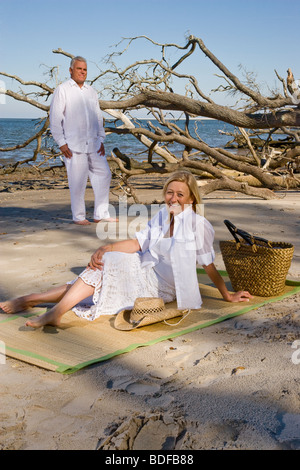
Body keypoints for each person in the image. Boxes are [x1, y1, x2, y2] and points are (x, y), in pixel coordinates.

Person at [0, 171, 253, 328]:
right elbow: (137, 243)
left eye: (180, 194)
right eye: (169, 192)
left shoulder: (200, 225)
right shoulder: (163, 216)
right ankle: (38, 302)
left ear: (191, 198)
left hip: (160, 287)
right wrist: (106, 247)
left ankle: (46, 306)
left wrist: (227, 295)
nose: (173, 198)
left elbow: (208, 265)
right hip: (143, 267)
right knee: (104, 264)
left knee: (103, 274)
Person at [50, 56, 116, 225]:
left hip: (94, 143)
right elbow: (56, 118)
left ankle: (100, 214)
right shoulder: (62, 89)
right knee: (77, 181)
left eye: (85, 69)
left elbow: (98, 116)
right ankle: (78, 217)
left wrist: (101, 139)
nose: (82, 72)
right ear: (71, 70)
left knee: (104, 174)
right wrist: (61, 142)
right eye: (79, 69)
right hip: (73, 145)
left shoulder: (91, 91)